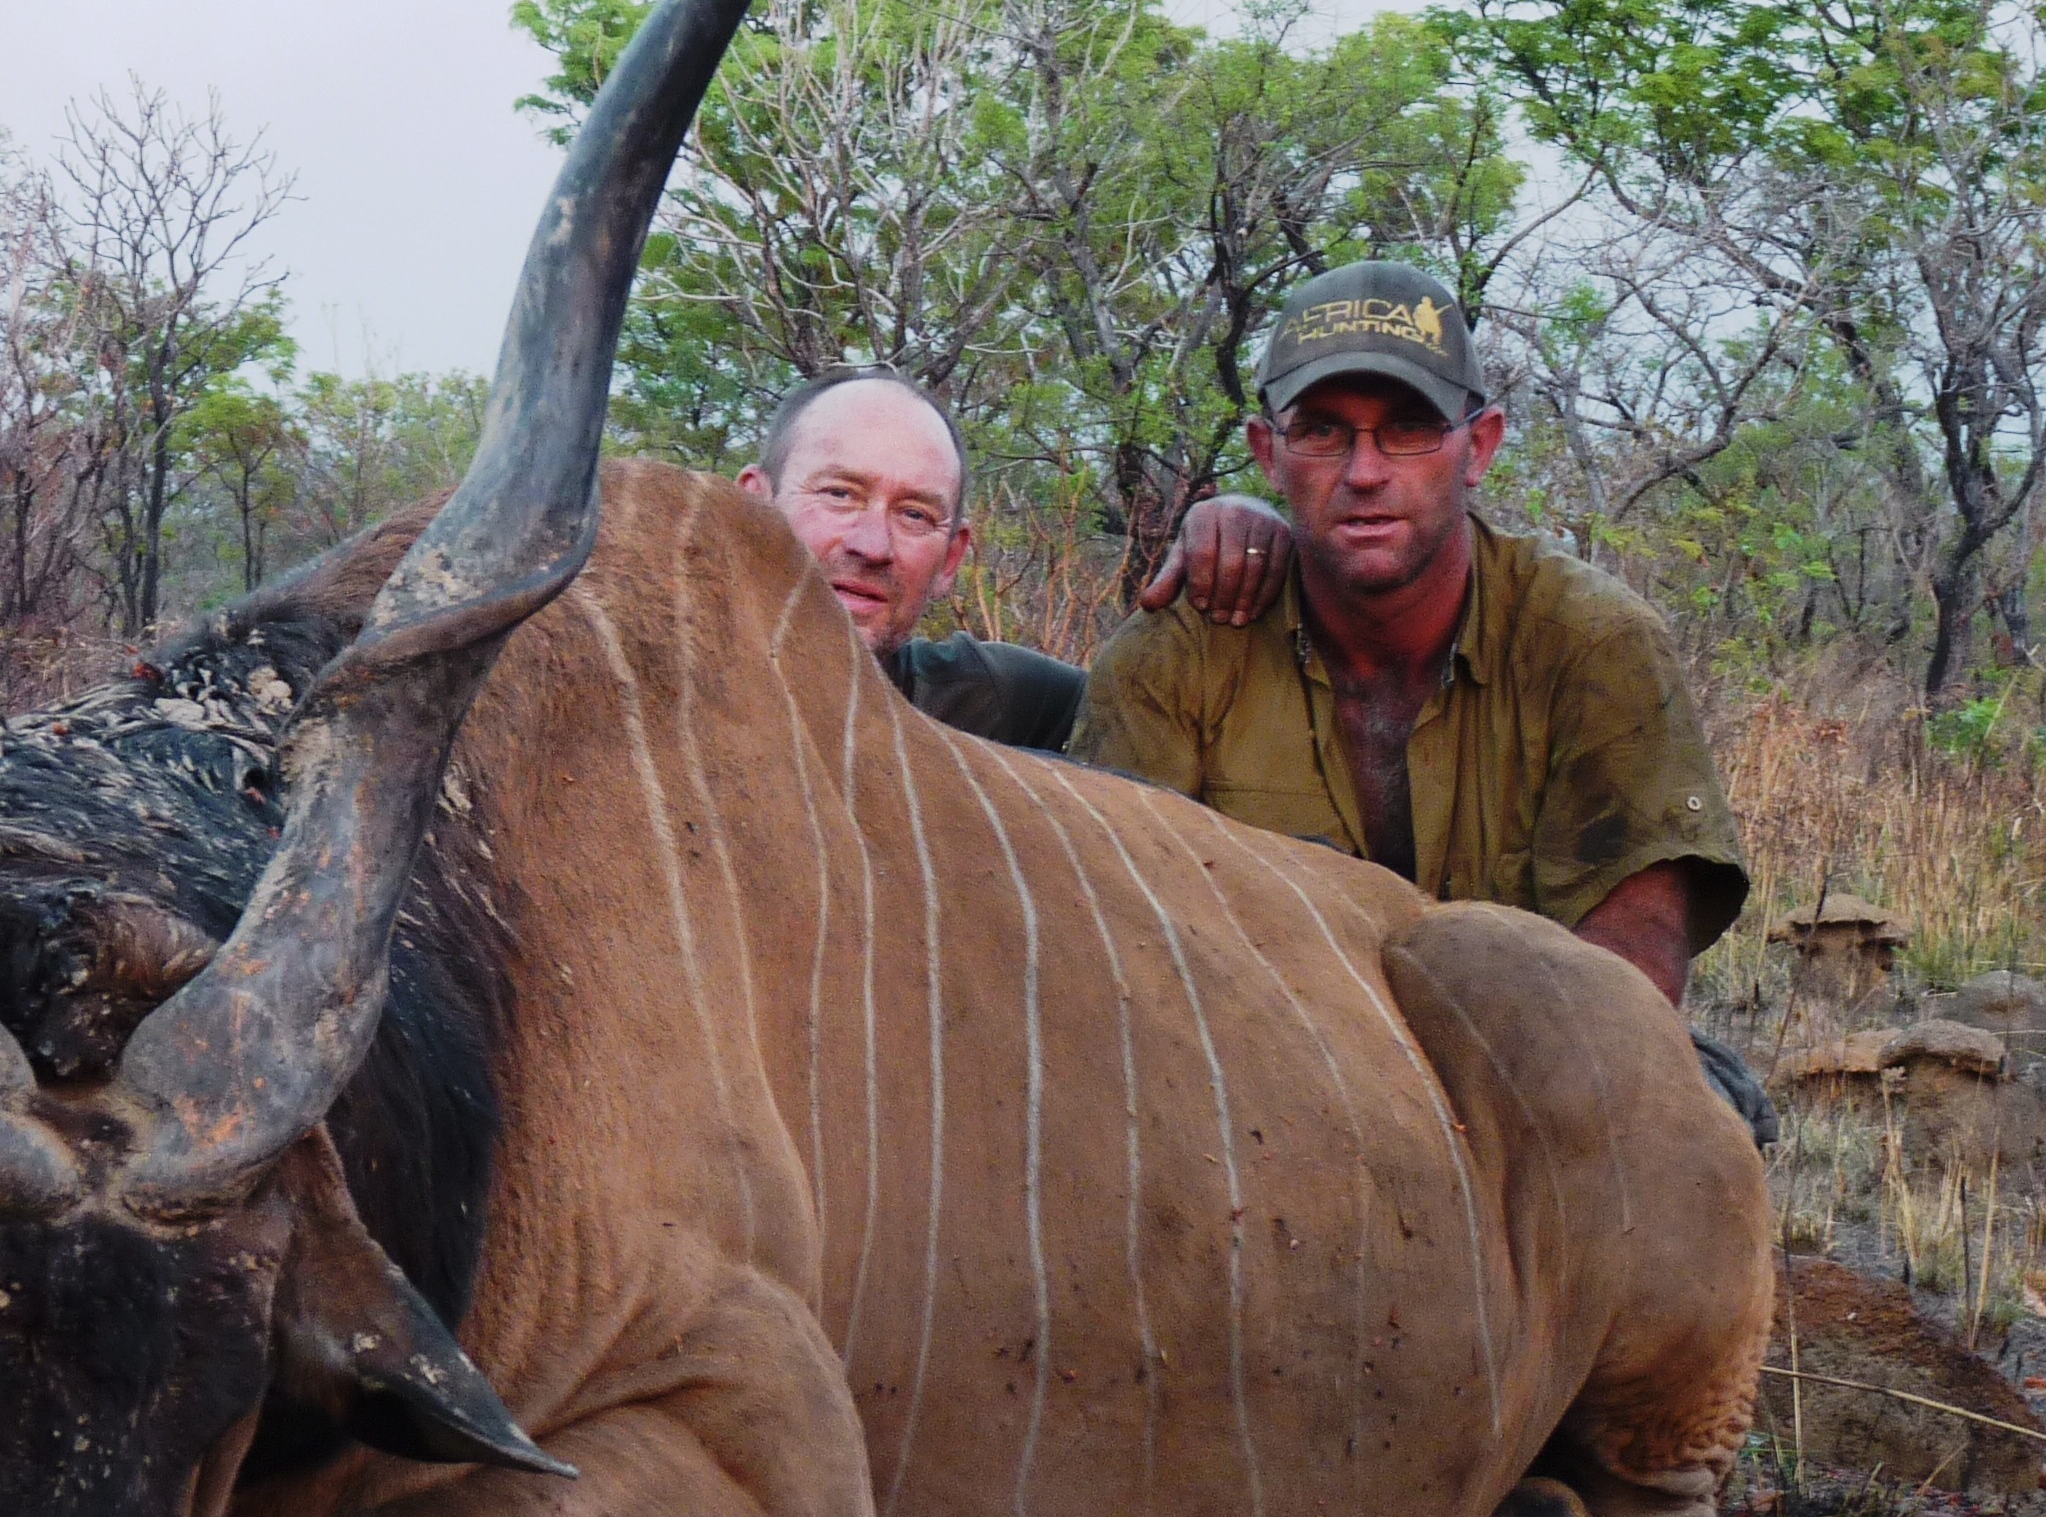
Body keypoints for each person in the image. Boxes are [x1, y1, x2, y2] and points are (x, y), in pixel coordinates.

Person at [1070, 261, 1771, 1135]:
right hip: (1261, 1095)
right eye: (1323, 432)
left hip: (1522, 1092)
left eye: (1408, 429)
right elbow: (1120, 958)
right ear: (1267, 452)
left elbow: (1631, 967)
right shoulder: (1173, 657)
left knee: (1690, 1119)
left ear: (1478, 446)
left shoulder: (1593, 643)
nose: (1364, 472)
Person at [738, 366, 1088, 751]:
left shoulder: (984, 696)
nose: (873, 547)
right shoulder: (667, 675)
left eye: (914, 515)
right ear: (750, 506)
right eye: (840, 494)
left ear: (951, 560)